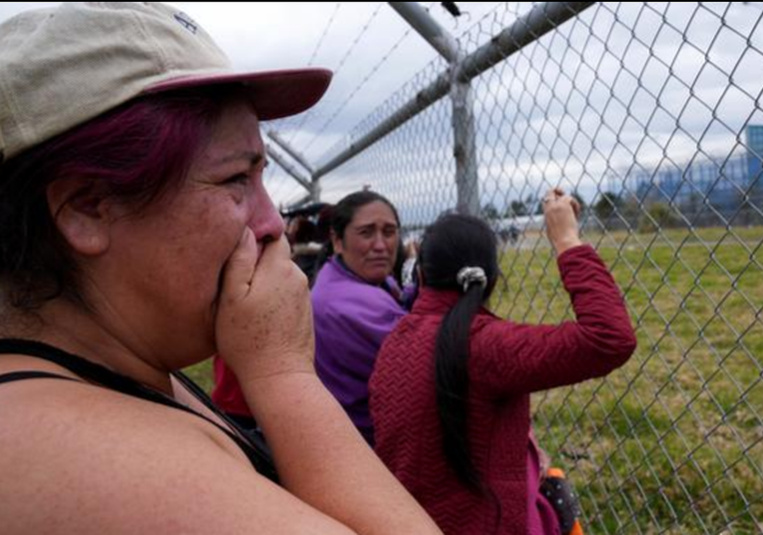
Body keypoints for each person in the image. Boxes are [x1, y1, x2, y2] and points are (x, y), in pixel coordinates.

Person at [0, 4, 442, 534]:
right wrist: (283, 375)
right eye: (236, 178)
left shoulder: (111, 369)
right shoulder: (71, 455)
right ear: (87, 208)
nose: (273, 223)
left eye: (263, 177)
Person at [369, 189, 638, 535]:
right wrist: (567, 240)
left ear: (420, 276)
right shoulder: (488, 346)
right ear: (492, 279)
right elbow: (609, 338)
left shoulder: (396, 341)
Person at [312, 190, 409, 446]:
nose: (380, 245)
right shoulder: (355, 305)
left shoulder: (336, 276)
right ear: (338, 241)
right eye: (366, 233)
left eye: (389, 232)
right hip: (373, 447)